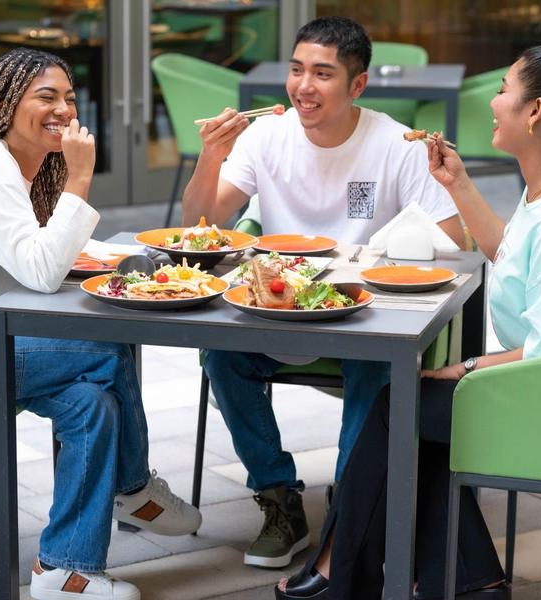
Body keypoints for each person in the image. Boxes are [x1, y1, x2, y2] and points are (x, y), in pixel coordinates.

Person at [276, 44, 541, 600]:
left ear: (535, 111)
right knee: (416, 409)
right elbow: (511, 256)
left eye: (502, 90)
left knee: (400, 408)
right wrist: (457, 184)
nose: (493, 102)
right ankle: (471, 580)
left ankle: (338, 574)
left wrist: (467, 367)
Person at [0, 48, 201, 600]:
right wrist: (81, 177)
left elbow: (28, 254)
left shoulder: (17, 165)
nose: (63, 109)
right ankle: (133, 487)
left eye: (69, 98)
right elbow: (41, 272)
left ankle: (64, 571)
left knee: (91, 404)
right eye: (45, 97)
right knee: (108, 348)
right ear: (7, 105)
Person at [182, 15, 466, 569]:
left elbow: (453, 238)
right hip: (276, 305)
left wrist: (390, 250)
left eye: (322, 73)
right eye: (296, 70)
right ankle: (278, 497)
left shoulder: (394, 144)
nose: (303, 86)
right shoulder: (265, 135)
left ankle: (349, 507)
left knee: (376, 362)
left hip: (359, 311)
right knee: (221, 353)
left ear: (357, 84)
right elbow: (200, 224)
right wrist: (211, 157)